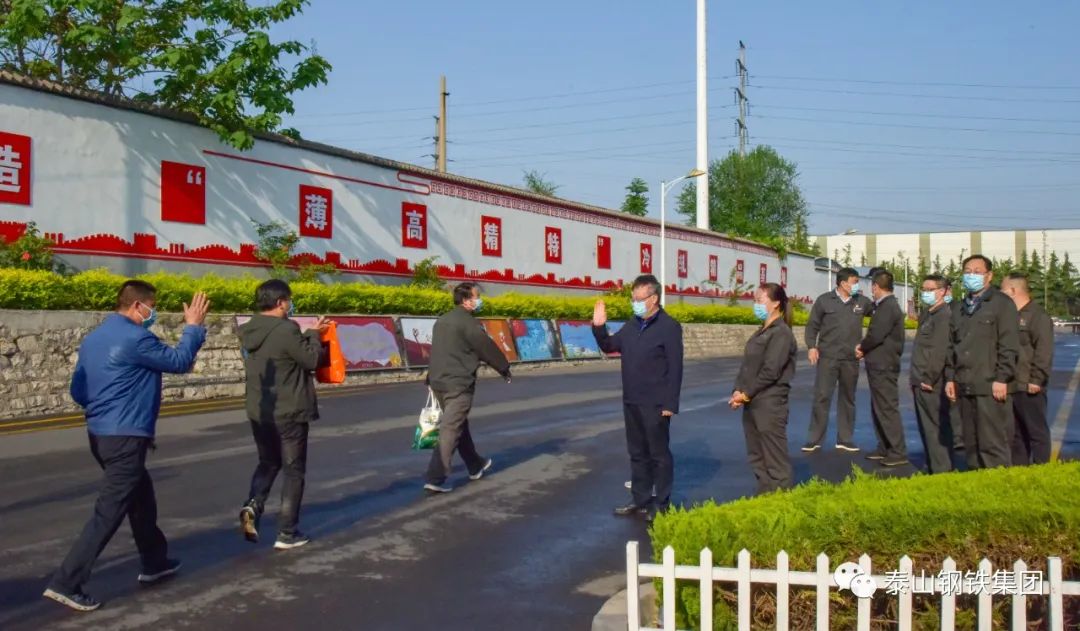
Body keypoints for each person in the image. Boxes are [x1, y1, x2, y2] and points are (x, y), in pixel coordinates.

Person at [43, 281, 209, 612]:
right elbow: (179, 361)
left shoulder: (94, 339)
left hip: (100, 433)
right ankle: (67, 582)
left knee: (141, 496)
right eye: (152, 307)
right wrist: (193, 327)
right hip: (125, 436)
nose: (153, 313)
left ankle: (154, 561)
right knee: (109, 511)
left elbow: (79, 390)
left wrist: (105, 403)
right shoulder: (136, 338)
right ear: (137, 306)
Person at [238, 280, 330, 550]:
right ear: (280, 303)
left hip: (260, 411)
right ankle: (287, 532)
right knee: (293, 471)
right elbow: (311, 359)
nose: (290, 305)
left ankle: (253, 504)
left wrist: (307, 334)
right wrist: (314, 335)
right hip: (289, 411)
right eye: (289, 300)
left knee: (268, 462)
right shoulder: (286, 329)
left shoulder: (249, 329)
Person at [593, 274, 683, 522]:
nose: (635, 303)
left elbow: (675, 367)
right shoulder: (632, 325)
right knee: (637, 452)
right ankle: (640, 498)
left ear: (653, 299)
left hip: (656, 403)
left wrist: (670, 403)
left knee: (658, 454)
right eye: (633, 299)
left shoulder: (668, 327)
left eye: (639, 299)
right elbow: (610, 345)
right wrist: (599, 328)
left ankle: (661, 503)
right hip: (632, 400)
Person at [423, 282, 511, 494]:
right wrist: (503, 368)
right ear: (466, 301)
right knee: (451, 428)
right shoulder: (468, 323)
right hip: (458, 384)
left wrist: (430, 377)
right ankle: (436, 478)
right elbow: (485, 346)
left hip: (438, 382)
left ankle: (475, 465)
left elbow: (439, 351)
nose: (479, 300)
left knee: (458, 424)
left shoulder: (442, 321)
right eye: (476, 296)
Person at [945, 255, 1019, 469]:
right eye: (968, 271)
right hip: (965, 384)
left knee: (993, 444)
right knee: (971, 444)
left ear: (989, 275)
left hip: (990, 386)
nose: (972, 276)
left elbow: (1009, 345)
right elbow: (952, 345)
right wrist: (950, 377)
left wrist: (1002, 378)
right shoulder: (959, 307)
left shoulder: (1001, 304)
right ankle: (976, 481)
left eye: (977, 272)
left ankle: (997, 484)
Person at [729, 283, 797, 494]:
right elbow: (747, 366)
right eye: (755, 300)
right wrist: (738, 390)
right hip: (752, 401)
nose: (756, 304)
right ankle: (765, 494)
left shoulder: (781, 333)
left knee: (774, 456)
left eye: (760, 300)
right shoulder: (762, 331)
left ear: (776, 303)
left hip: (770, 402)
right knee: (756, 454)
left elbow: (771, 371)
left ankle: (781, 496)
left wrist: (746, 393)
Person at [803, 267, 874, 453]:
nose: (857, 285)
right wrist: (811, 346)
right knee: (822, 397)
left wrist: (867, 345)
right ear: (843, 283)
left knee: (848, 398)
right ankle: (814, 439)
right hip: (828, 357)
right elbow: (812, 326)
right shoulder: (824, 300)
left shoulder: (862, 302)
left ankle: (845, 439)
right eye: (854, 282)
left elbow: (879, 318)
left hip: (851, 358)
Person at [1001, 272, 1054, 465]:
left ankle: (1041, 469)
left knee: (1036, 432)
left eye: (1002, 290)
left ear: (1013, 290)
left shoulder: (1037, 316)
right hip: (1012, 384)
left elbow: (1044, 351)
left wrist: (1037, 379)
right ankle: (1020, 470)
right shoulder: (1009, 316)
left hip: (1029, 384)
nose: (1000, 294)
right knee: (1016, 434)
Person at [856, 270, 907, 466]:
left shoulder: (887, 307)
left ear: (876, 286)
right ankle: (885, 446)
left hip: (884, 364)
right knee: (878, 406)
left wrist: (862, 347)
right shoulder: (886, 306)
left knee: (886, 408)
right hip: (879, 363)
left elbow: (876, 335)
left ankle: (897, 451)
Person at [910, 274, 955, 473]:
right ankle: (932, 466)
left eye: (930, 290)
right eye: (924, 289)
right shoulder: (928, 314)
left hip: (931, 382)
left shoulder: (944, 315)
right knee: (926, 427)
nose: (925, 293)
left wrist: (929, 378)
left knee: (935, 427)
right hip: (919, 378)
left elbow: (940, 350)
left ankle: (941, 470)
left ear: (943, 291)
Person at [942, 278, 965, 452]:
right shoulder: (932, 310)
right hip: (939, 362)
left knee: (954, 402)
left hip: (954, 362)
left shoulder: (957, 308)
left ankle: (959, 437)